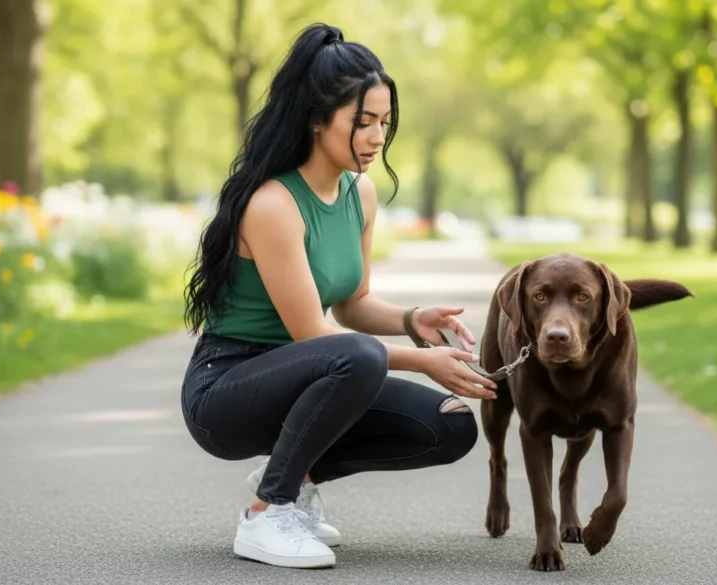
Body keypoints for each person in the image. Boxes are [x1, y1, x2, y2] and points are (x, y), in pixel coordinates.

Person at [180, 23, 498, 570]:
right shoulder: (273, 204)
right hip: (228, 390)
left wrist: (410, 318)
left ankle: (292, 475)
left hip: (312, 375)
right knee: (359, 355)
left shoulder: (360, 193)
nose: (377, 137)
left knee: (451, 424)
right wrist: (422, 361)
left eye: (384, 122)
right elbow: (314, 334)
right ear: (316, 118)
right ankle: (265, 514)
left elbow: (351, 304)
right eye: (363, 122)